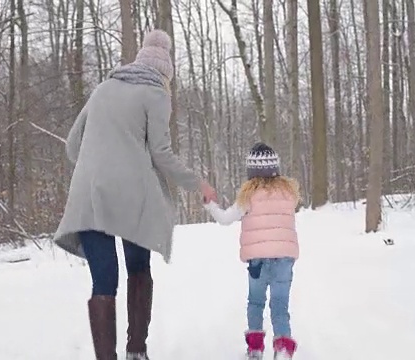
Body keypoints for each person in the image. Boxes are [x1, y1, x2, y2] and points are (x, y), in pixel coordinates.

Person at [52, 29, 217, 360]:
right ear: (165, 70)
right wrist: (198, 184)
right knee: (138, 269)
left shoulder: (103, 89)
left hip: (90, 195)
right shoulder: (156, 94)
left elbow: (72, 145)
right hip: (132, 199)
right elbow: (161, 153)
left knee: (104, 282)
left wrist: (97, 166)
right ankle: (136, 352)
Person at [203, 142, 299, 360]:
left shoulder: (248, 196)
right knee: (280, 304)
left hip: (257, 262)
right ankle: (283, 347)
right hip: (284, 259)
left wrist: (210, 205)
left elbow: (225, 219)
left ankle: (255, 348)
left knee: (256, 302)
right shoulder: (288, 194)